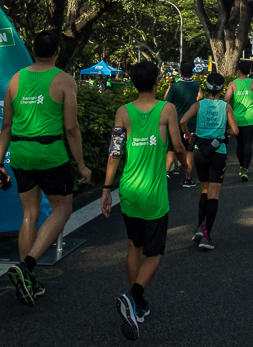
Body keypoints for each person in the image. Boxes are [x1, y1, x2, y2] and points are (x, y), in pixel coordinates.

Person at [0, 30, 92, 306]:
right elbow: (71, 128)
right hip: (50, 154)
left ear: (32, 49)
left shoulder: (16, 79)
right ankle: (27, 268)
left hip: (21, 154)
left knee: (30, 213)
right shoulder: (63, 80)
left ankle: (29, 280)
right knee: (62, 209)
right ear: (58, 50)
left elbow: (5, 126)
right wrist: (82, 166)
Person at [101, 61, 190, 341]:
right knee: (155, 253)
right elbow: (177, 145)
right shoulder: (167, 109)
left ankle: (137, 306)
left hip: (128, 190)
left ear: (133, 82)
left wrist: (106, 188)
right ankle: (133, 296)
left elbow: (115, 152)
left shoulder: (122, 112)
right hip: (153, 194)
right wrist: (186, 165)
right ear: (157, 81)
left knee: (133, 245)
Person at [180, 72, 239, 251]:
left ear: (206, 88)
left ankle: (199, 226)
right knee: (214, 193)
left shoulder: (199, 105)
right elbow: (235, 131)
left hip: (200, 152)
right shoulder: (226, 107)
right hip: (218, 152)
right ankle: (206, 235)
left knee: (204, 190)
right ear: (222, 89)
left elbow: (183, 120)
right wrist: (224, 133)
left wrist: (188, 134)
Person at [224, 60, 253, 182]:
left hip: (236, 118)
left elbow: (226, 99)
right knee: (248, 143)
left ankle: (241, 165)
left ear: (239, 71)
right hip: (250, 117)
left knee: (239, 143)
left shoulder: (233, 84)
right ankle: (245, 169)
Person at [164, 61, 200, 188]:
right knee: (189, 150)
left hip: (175, 122)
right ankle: (188, 178)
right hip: (191, 122)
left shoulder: (175, 86)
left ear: (180, 72)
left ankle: (167, 172)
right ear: (192, 72)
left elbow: (166, 101)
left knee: (171, 148)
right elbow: (200, 96)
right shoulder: (196, 85)